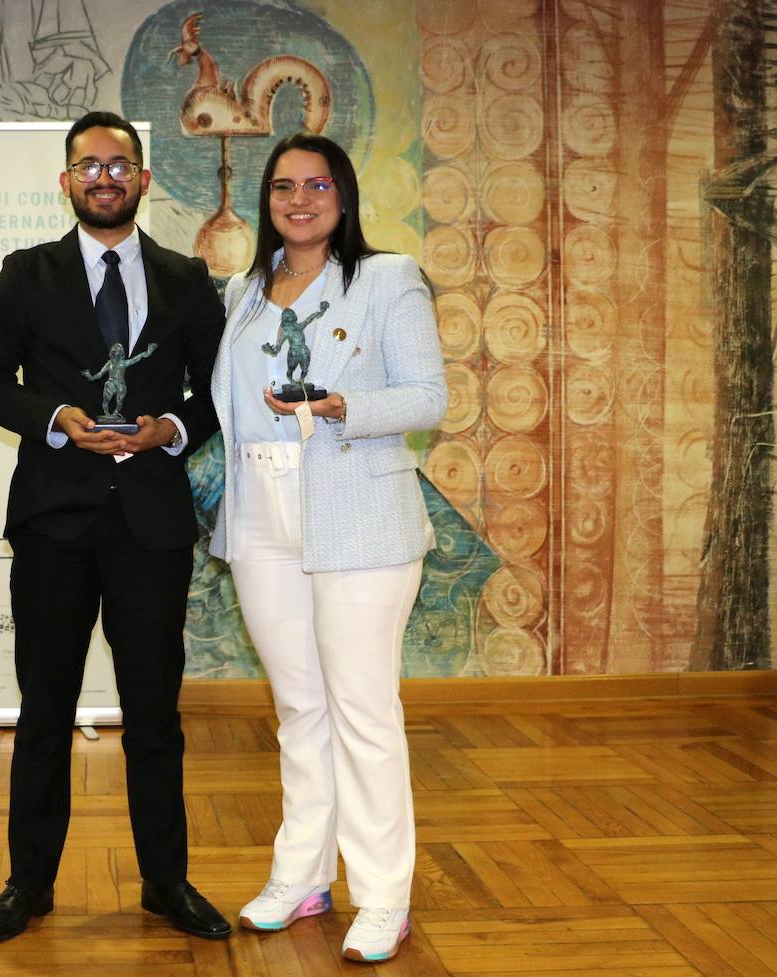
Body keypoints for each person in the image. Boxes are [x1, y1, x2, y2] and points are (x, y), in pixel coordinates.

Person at [0, 111, 230, 943]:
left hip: (150, 522)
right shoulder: (25, 274)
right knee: (45, 707)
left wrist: (170, 431)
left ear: (143, 180)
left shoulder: (188, 278)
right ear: (67, 181)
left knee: (155, 713)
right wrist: (55, 417)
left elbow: (217, 391)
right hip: (54, 522)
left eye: (120, 165)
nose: (105, 177)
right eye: (89, 165)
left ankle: (167, 882)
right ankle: (28, 884)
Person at [208, 133, 446, 963]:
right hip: (264, 515)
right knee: (300, 709)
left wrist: (345, 404)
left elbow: (426, 395)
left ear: (342, 195)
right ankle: (302, 873)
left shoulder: (386, 278)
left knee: (362, 710)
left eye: (316, 184)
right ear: (266, 199)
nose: (298, 199)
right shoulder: (243, 289)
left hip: (358, 514)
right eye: (282, 186)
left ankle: (383, 894)